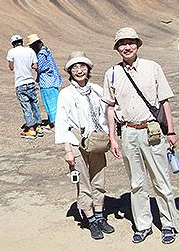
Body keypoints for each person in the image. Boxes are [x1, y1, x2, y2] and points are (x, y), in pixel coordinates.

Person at [102, 27, 179, 245]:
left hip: (152, 130)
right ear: (117, 48)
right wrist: (113, 138)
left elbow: (164, 102)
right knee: (136, 182)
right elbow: (110, 107)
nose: (127, 47)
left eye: (131, 43)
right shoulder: (112, 74)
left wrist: (171, 131)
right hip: (127, 131)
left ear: (138, 45)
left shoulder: (153, 67)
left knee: (161, 179)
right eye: (122, 44)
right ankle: (143, 224)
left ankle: (169, 224)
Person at [54, 51, 115, 240]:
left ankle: (99, 216)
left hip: (96, 142)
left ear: (88, 69)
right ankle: (90, 220)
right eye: (75, 68)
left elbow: (107, 114)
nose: (79, 70)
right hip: (76, 143)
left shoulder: (97, 89)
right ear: (70, 72)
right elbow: (62, 121)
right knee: (83, 182)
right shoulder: (65, 93)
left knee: (99, 180)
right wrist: (67, 150)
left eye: (82, 67)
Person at [6, 34, 43, 139]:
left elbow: (11, 67)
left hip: (20, 83)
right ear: (22, 42)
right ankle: (39, 127)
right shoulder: (30, 51)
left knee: (26, 107)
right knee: (35, 105)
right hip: (30, 82)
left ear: (13, 44)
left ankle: (31, 130)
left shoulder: (11, 52)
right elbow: (35, 66)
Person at [27, 34, 62, 131]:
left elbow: (39, 67)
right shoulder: (46, 50)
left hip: (47, 82)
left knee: (51, 103)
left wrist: (31, 65)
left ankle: (55, 125)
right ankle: (51, 123)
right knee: (51, 103)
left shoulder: (41, 54)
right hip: (52, 80)